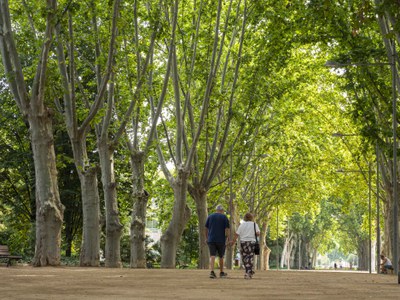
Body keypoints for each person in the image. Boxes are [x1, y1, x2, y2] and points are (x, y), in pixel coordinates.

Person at [230, 212, 260, 279]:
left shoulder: (242, 225)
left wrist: (233, 242)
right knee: (250, 257)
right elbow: (258, 233)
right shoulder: (255, 225)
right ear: (252, 218)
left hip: (243, 243)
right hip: (252, 242)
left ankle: (248, 272)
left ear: (245, 218)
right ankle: (249, 272)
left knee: (244, 257)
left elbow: (236, 234)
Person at [205, 204, 230, 279]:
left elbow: (206, 228)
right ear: (222, 210)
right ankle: (221, 272)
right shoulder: (224, 217)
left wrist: (206, 238)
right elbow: (227, 229)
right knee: (221, 256)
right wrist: (227, 238)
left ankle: (212, 272)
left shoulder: (210, 216)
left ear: (216, 210)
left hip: (211, 239)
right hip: (221, 240)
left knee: (212, 255)